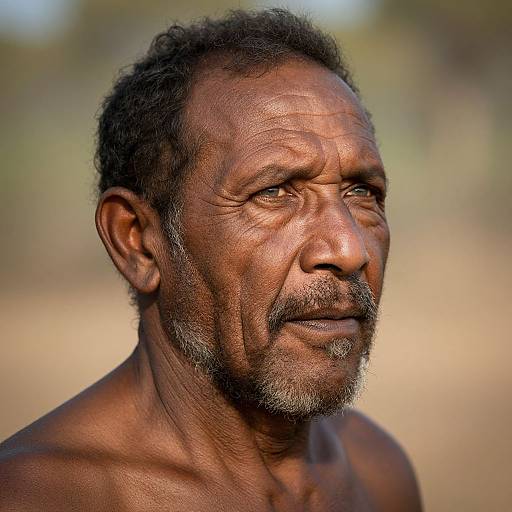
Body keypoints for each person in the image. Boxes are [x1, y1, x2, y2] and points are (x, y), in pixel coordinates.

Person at [0, 9, 422, 511]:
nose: (348, 249)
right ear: (136, 240)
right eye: (274, 193)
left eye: (361, 192)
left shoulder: (378, 472)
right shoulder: (41, 496)